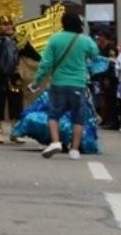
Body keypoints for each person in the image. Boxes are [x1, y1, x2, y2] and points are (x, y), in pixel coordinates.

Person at [26, 8, 101, 158]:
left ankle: (55, 142)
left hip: (58, 82)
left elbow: (46, 63)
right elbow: (95, 54)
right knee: (78, 117)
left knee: (53, 114)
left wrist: (36, 82)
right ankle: (74, 149)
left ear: (63, 23)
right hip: (78, 83)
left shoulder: (54, 39)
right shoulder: (85, 40)